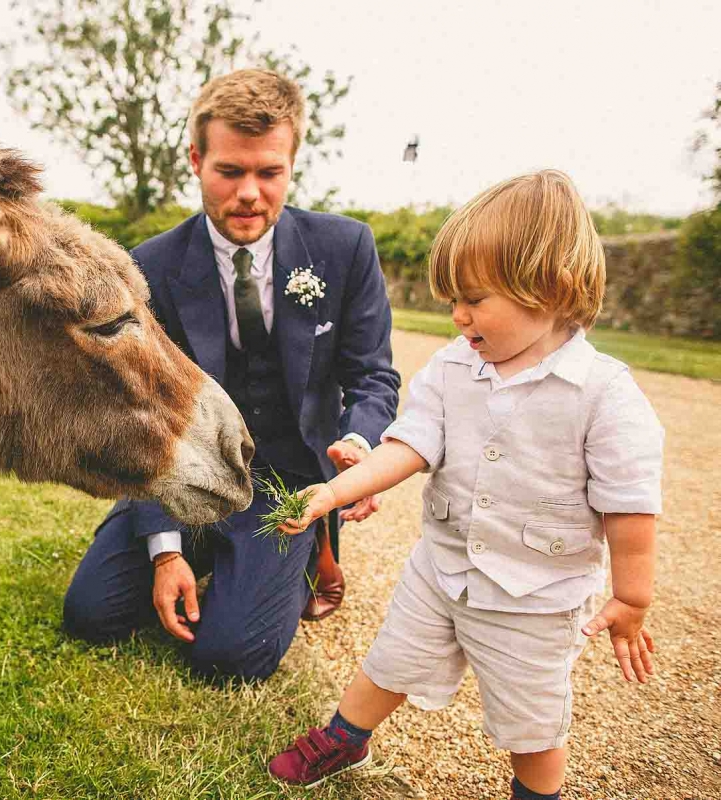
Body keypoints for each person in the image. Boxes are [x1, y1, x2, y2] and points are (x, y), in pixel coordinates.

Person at [265, 170, 664, 800]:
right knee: (389, 661)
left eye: (474, 298)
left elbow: (629, 504)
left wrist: (633, 596)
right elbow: (410, 442)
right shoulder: (455, 364)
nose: (457, 315)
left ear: (548, 287)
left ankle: (537, 793)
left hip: (538, 595)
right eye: (453, 298)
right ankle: (345, 738)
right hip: (441, 571)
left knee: (531, 722)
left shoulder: (605, 395)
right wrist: (333, 494)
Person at [61, 69, 401, 681]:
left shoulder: (346, 248)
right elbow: (140, 413)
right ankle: (208, 553)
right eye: (230, 171)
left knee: (228, 658)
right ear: (196, 159)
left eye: (268, 173)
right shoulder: (151, 265)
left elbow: (373, 376)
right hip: (189, 471)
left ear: (291, 165)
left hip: (290, 480)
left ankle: (293, 557)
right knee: (90, 614)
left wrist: (358, 445)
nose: (249, 192)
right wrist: (164, 552)